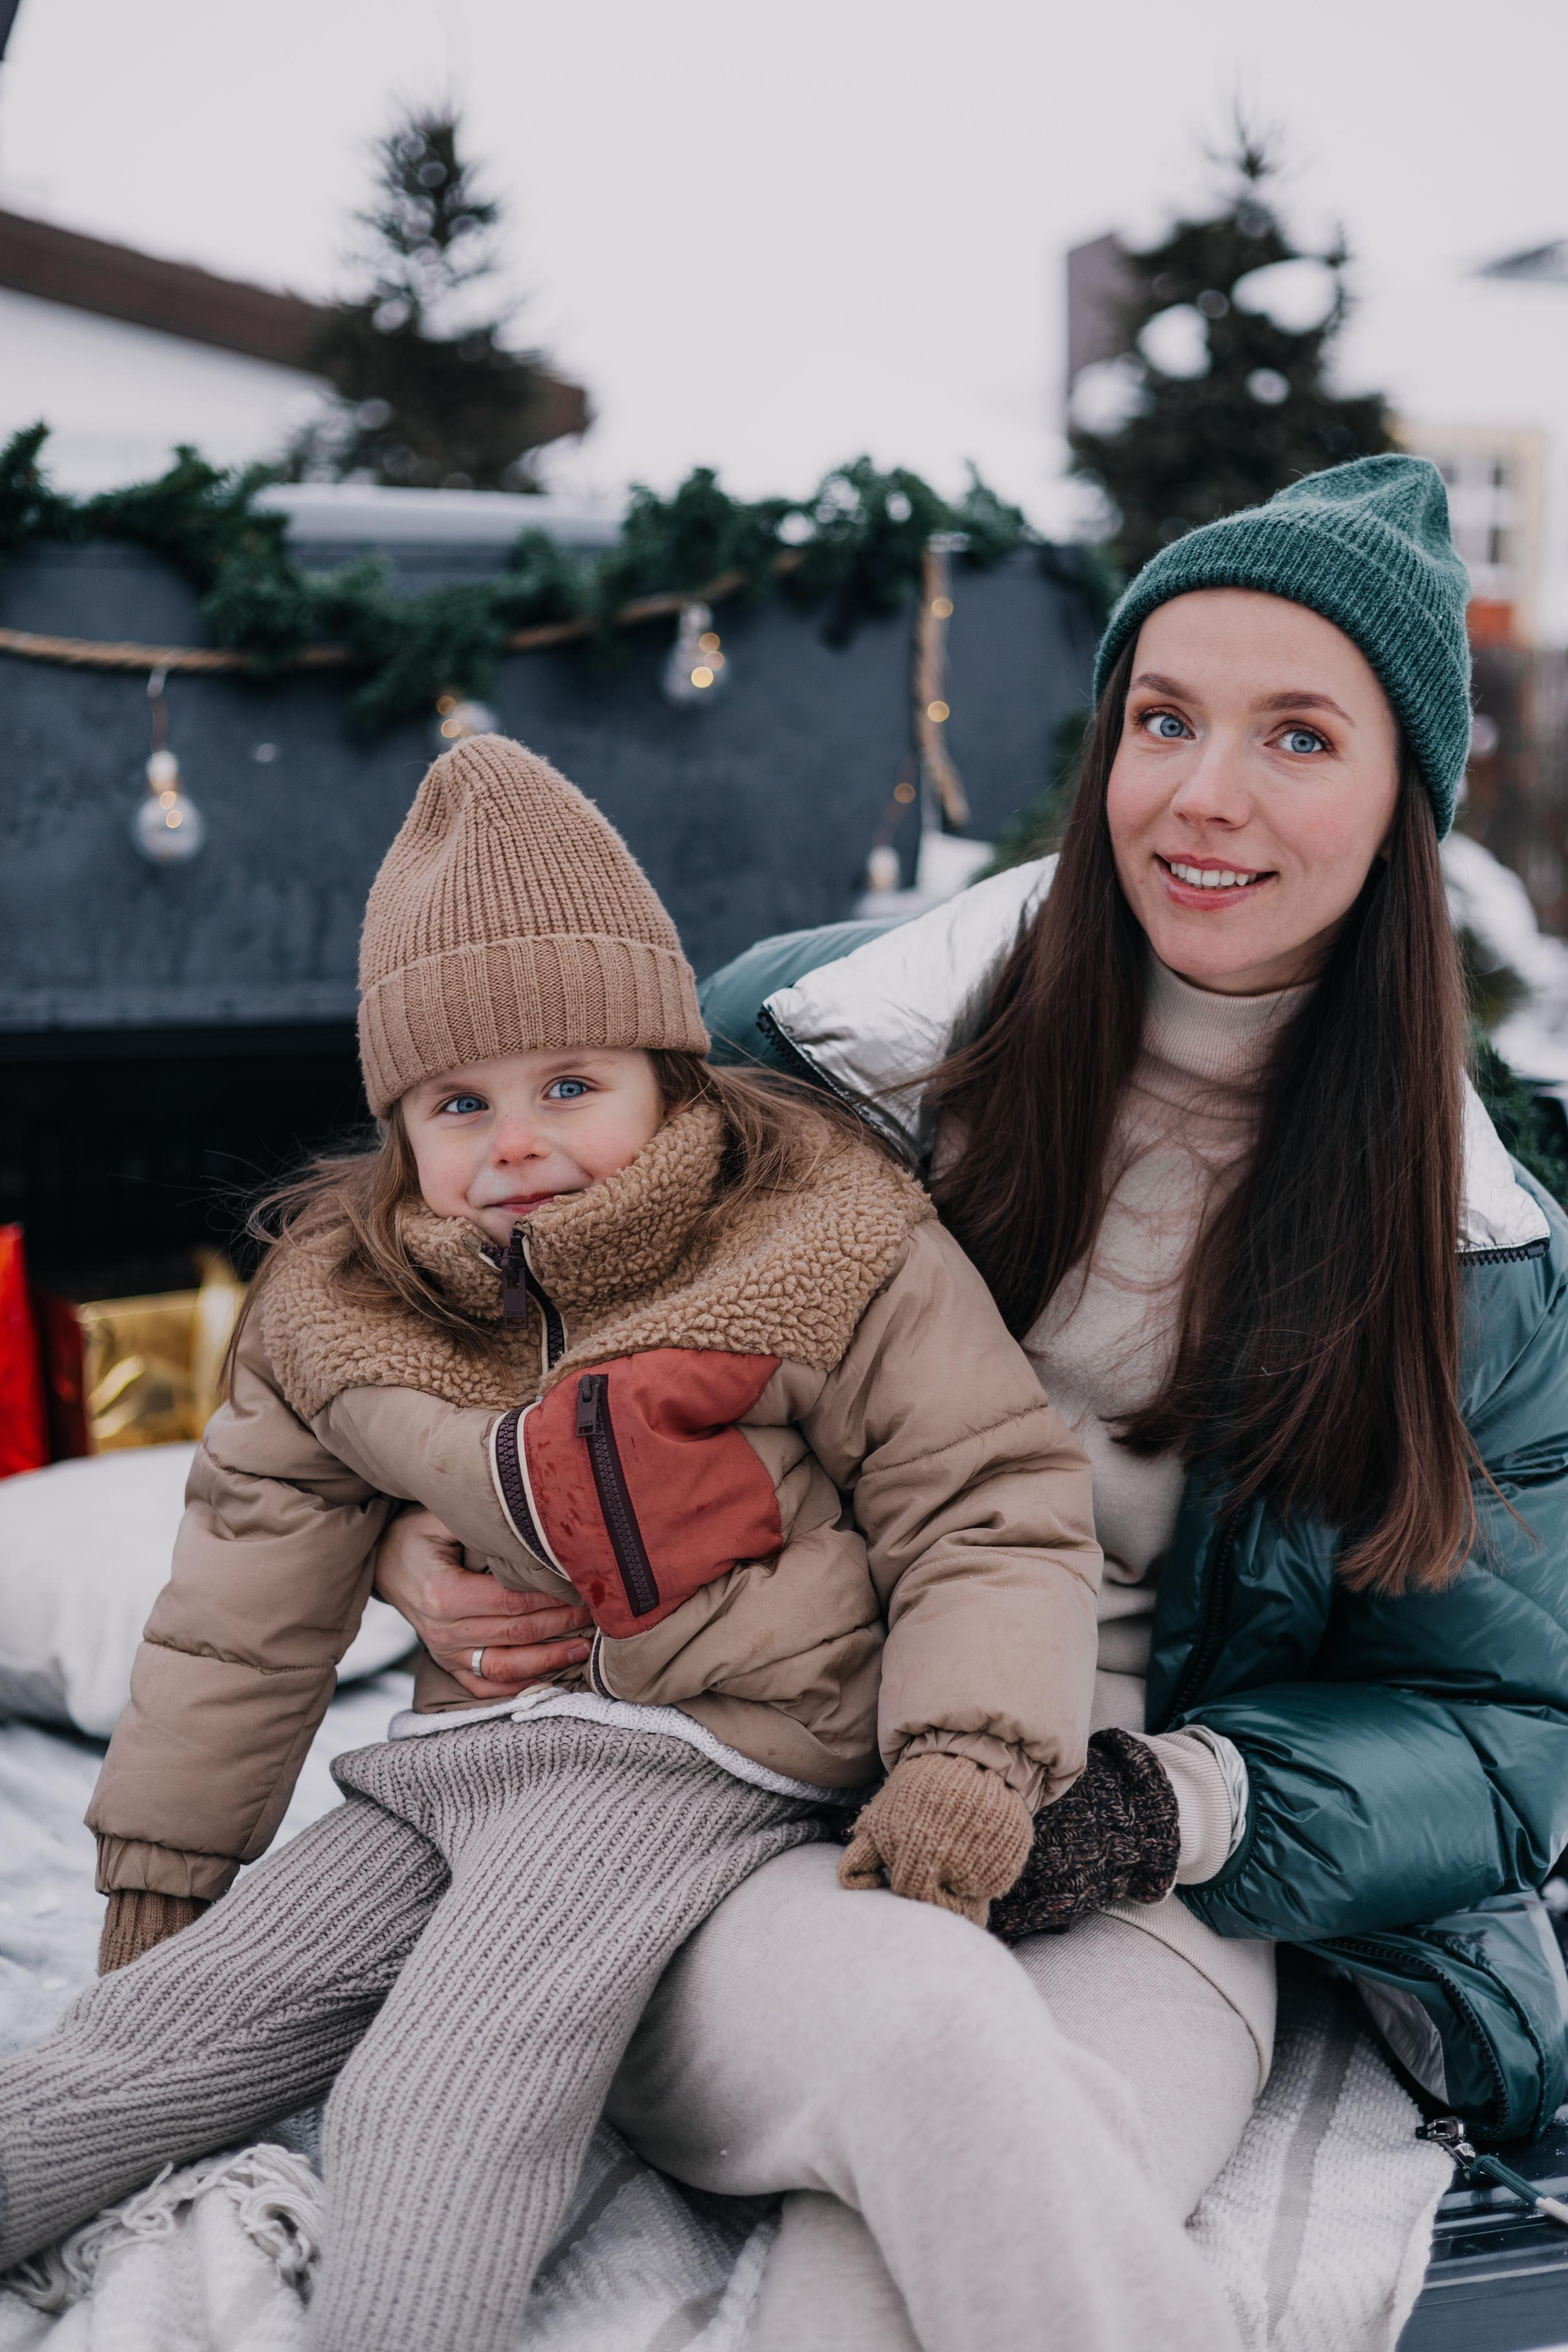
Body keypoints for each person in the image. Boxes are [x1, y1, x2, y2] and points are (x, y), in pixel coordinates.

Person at [375, 456, 1568, 2351]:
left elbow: (1507, 1727)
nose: (1205, 793)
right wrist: (423, 1542)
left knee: (975, 2215)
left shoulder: (1478, 1256)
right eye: (1164, 719)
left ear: (1404, 807)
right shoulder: (813, 1053)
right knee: (946, 2064)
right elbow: (428, 1300)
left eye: (1298, 736)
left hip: (1141, 1863)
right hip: (744, 1794)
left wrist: (1179, 1803)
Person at [0, 738, 1110, 2350]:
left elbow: (989, 1496)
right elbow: (241, 1592)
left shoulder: (817, 1239)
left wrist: (970, 1755)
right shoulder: (344, 1303)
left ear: (668, 1073)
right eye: (461, 1104)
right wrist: (169, 1873)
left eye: (570, 1086)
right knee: (146, 2039)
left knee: (439, 2086)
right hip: (458, 1751)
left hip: (699, 1750)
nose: (515, 1142)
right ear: (401, 1125)